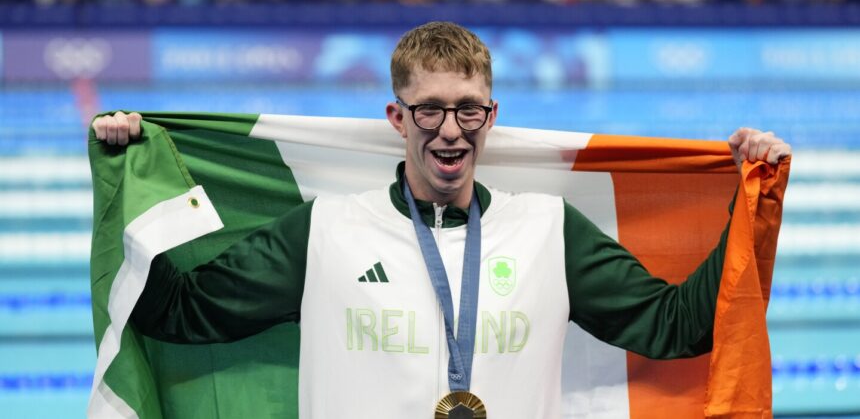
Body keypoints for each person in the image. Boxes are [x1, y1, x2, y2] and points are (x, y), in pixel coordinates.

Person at [92, 22, 791, 418]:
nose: (449, 130)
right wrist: (129, 176)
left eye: (468, 108)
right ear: (398, 118)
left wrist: (751, 202)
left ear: (492, 116)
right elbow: (178, 313)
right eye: (429, 108)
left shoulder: (549, 229)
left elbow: (679, 326)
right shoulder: (326, 228)